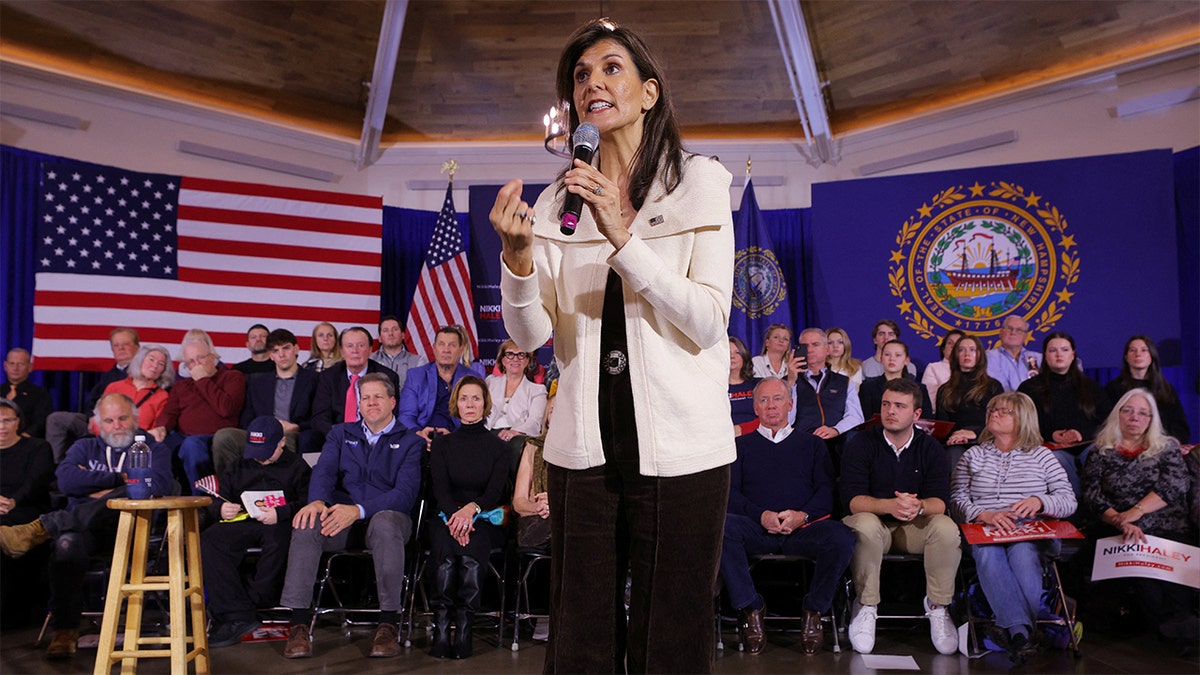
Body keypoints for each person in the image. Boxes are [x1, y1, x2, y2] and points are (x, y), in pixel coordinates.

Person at [490, 17, 736, 672]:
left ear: (650, 92)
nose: (592, 82)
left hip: (685, 450)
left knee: (672, 638)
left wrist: (624, 239)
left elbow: (709, 321)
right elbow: (532, 336)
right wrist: (517, 260)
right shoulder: (553, 204)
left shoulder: (700, 180)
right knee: (580, 635)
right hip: (582, 448)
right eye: (580, 75)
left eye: (610, 67)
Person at [0, 393, 173, 659]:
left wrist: (104, 488)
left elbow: (158, 484)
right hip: (86, 531)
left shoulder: (152, 448)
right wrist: (119, 478)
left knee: (135, 490)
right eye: (109, 420)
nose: (117, 425)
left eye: (123, 418)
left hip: (134, 530)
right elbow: (66, 481)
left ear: (135, 419)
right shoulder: (84, 447)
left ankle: (41, 527)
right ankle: (64, 632)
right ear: (98, 424)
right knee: (68, 544)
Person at [279, 374, 422, 660]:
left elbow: (404, 495)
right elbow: (324, 471)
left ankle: (389, 623)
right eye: (365, 397)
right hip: (340, 517)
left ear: (392, 402)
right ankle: (298, 623)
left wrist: (358, 510)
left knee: (385, 522)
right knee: (308, 523)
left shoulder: (410, 442)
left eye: (378, 396)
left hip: (388, 519)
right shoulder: (341, 434)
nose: (371, 402)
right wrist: (317, 501)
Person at [720, 378, 855, 655]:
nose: (771, 406)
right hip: (756, 528)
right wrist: (762, 516)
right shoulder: (740, 446)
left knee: (842, 537)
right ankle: (751, 608)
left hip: (801, 529)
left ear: (790, 404)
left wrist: (801, 516)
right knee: (723, 528)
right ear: (755, 407)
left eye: (778, 399)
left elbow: (826, 491)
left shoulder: (812, 445)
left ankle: (814, 610)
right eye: (764, 401)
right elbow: (731, 495)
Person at [951, 390, 1077, 665]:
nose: (993, 414)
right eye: (992, 410)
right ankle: (1022, 634)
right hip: (985, 529)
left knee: (1022, 552)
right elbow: (957, 500)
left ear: (1023, 418)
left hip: (1031, 532)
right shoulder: (972, 456)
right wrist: (983, 513)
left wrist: (1039, 501)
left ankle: (1013, 630)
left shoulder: (1043, 456)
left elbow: (1068, 501)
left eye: (1003, 411)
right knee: (986, 551)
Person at [840, 378, 960, 656]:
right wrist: (890, 505)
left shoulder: (929, 447)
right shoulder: (861, 443)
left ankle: (938, 607)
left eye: (899, 406)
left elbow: (940, 502)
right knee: (865, 523)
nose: (890, 411)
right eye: (886, 404)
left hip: (913, 528)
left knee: (945, 527)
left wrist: (917, 506)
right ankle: (866, 606)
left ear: (916, 414)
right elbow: (853, 501)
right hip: (874, 527)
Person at [1082, 388, 1197, 643]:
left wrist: (1134, 515)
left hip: (1166, 529)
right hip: (1116, 531)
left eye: (1143, 413)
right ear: (1118, 415)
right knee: (1148, 591)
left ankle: (1176, 628)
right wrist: (1120, 521)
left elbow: (1175, 485)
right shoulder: (1101, 450)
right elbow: (1091, 495)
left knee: (1176, 594)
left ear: (1151, 419)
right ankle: (1160, 629)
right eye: (1128, 411)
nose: (1135, 417)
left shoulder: (1166, 448)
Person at [200, 416, 311, 648]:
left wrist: (281, 513)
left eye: (266, 450)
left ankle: (253, 601)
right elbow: (217, 499)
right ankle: (236, 614)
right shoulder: (239, 465)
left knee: (278, 541)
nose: (260, 456)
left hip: (281, 521)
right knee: (211, 539)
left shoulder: (297, 466)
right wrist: (221, 508)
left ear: (282, 442)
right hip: (245, 519)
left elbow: (309, 502)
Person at [428, 376, 511, 659]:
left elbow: (494, 492)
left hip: (484, 517)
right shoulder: (442, 445)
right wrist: (456, 517)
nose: (470, 404)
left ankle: (464, 628)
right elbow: (440, 490)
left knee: (472, 553)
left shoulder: (500, 447)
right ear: (456, 404)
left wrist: (470, 512)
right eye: (464, 398)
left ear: (485, 403)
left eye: (476, 398)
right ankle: (441, 628)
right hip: (447, 516)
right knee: (446, 553)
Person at [211, 329, 321, 474]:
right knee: (224, 437)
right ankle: (232, 488)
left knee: (283, 442)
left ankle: (275, 489)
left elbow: (319, 416)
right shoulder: (257, 382)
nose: (281, 354)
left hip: (292, 434)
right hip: (261, 433)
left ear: (296, 349)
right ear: (271, 356)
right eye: (275, 350)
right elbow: (246, 418)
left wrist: (297, 427)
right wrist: (260, 430)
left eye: (286, 348)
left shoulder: (315, 379)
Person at [149, 335, 246, 493]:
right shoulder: (181, 386)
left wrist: (202, 380)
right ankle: (159, 506)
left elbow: (226, 409)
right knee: (154, 446)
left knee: (192, 445)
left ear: (213, 357)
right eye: (191, 362)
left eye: (200, 358)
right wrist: (162, 428)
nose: (197, 365)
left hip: (214, 438)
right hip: (184, 437)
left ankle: (201, 504)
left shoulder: (232, 377)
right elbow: (169, 412)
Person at [1018, 331, 1111, 494]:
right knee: (1058, 459)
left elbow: (1107, 421)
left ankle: (1097, 510)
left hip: (1087, 444)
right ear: (1045, 355)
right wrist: (1052, 435)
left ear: (1073, 354)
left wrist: (1080, 434)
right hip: (1048, 447)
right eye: (1053, 350)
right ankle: (1073, 512)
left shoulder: (1092, 386)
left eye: (1065, 350)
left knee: (1098, 455)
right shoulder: (1029, 388)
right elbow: (1023, 425)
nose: (1059, 354)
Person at [44, 327, 140, 462]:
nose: (121, 348)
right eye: (116, 345)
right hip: (97, 421)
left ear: (137, 347)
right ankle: (57, 468)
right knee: (57, 419)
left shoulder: (143, 374)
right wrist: (91, 416)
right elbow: (92, 401)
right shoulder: (108, 376)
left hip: (124, 424)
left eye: (126, 344)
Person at [0, 399, 55, 628]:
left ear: (18, 422)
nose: (1, 426)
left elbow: (35, 483)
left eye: (7, 420)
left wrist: (13, 502)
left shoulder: (38, 448)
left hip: (26, 511)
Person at [309, 327, 400, 439]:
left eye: (361, 345)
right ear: (341, 351)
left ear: (370, 349)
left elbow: (390, 414)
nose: (355, 351)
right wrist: (339, 437)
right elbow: (320, 416)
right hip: (337, 436)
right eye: (349, 346)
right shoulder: (329, 377)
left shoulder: (387, 376)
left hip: (374, 436)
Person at [399, 325, 479, 446]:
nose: (446, 350)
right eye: (441, 344)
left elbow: (478, 417)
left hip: (459, 440)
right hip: (421, 437)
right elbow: (406, 416)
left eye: (452, 345)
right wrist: (418, 433)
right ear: (434, 348)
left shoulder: (473, 378)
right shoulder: (415, 376)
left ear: (461, 350)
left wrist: (455, 436)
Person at [1103, 336, 1190, 442]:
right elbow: (1109, 423)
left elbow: (1180, 426)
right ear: (1126, 357)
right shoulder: (1113, 388)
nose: (1138, 354)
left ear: (1152, 356)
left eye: (1144, 350)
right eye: (1132, 350)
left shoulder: (1166, 389)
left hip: (1161, 445)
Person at [935, 334, 1003, 468]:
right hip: (955, 442)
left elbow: (1001, 421)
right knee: (954, 453)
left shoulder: (993, 386)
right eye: (961, 350)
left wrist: (974, 434)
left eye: (972, 349)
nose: (967, 354)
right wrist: (957, 436)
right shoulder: (944, 390)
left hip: (985, 438)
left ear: (980, 355)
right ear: (955, 355)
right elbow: (942, 424)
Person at [793, 328, 863, 439]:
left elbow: (856, 417)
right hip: (802, 442)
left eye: (815, 345)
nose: (809, 350)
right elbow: (785, 419)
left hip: (837, 442)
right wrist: (791, 383)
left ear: (827, 349)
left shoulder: (844, 382)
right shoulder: (788, 382)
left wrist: (835, 430)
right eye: (805, 346)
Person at [93, 344, 173, 434]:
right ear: (140, 360)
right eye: (151, 360)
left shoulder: (162, 396)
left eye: (161, 364)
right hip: (109, 440)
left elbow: (156, 431)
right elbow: (98, 419)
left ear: (163, 371)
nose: (155, 366)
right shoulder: (114, 387)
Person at [513, 388, 556, 550]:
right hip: (535, 521)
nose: (558, 415)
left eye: (563, 410)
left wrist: (555, 503)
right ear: (547, 419)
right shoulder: (532, 447)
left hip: (568, 519)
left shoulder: (580, 450)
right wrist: (538, 507)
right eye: (553, 411)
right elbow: (518, 502)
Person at [484, 339, 547, 450]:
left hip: (516, 436)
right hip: (489, 431)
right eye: (510, 354)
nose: (515, 359)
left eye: (521, 355)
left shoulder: (537, 391)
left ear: (527, 360)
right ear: (503, 360)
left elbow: (535, 422)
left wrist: (515, 432)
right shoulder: (490, 382)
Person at [858, 339, 930, 420]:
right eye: (887, 354)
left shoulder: (919, 389)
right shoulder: (867, 387)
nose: (892, 359)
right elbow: (865, 420)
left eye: (898, 355)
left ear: (907, 360)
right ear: (881, 359)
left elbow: (926, 422)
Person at [2, 348, 53, 439]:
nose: (15, 368)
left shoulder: (39, 393)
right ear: (5, 366)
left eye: (21, 364)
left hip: (25, 441)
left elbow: (41, 421)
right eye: (12, 363)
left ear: (30, 367)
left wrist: (23, 438)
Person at [986, 315, 1042, 392]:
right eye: (1009, 328)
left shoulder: (1039, 358)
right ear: (1000, 333)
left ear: (1025, 336)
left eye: (1019, 330)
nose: (1013, 332)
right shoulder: (988, 358)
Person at [370, 316, 427, 389]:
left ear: (403, 335)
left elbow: (421, 390)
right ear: (380, 338)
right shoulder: (371, 360)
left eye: (395, 329)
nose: (390, 333)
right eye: (385, 330)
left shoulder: (418, 362)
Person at [920, 329, 964, 414]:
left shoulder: (972, 370)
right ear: (943, 349)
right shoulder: (934, 368)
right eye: (950, 343)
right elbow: (930, 402)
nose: (953, 346)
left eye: (958, 343)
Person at [728, 336, 758, 436]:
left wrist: (742, 429)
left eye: (737, 352)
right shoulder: (714, 388)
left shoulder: (758, 385)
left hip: (754, 436)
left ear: (744, 357)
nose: (732, 356)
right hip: (725, 439)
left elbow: (769, 416)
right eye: (728, 352)